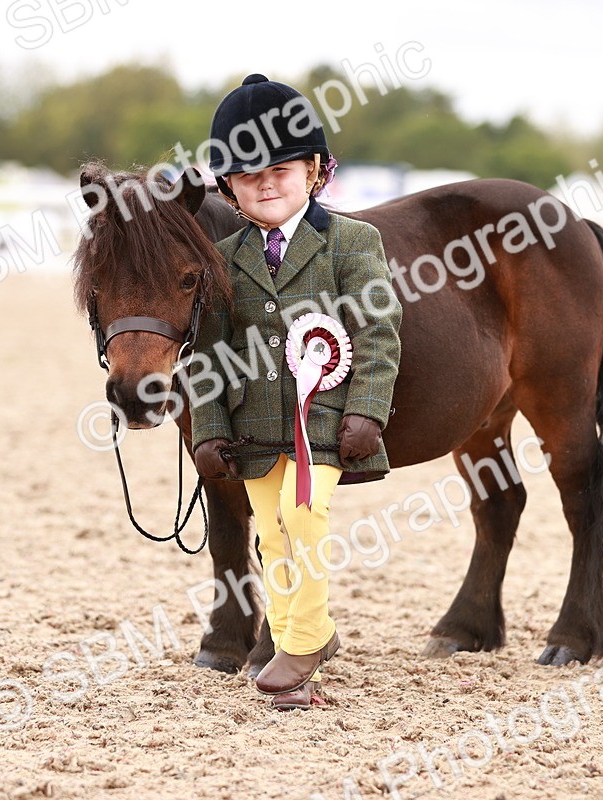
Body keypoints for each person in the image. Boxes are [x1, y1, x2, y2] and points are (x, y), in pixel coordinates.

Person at [189, 74, 402, 710]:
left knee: (302, 513)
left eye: (281, 170)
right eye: (249, 176)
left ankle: (305, 641)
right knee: (272, 535)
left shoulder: (352, 242)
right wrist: (209, 429)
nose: (266, 185)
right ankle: (295, 642)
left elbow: (378, 330)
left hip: (325, 424)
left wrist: (367, 409)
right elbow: (209, 355)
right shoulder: (225, 256)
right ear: (228, 187)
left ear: (314, 171)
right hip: (254, 428)